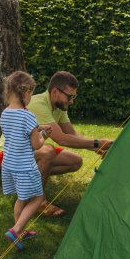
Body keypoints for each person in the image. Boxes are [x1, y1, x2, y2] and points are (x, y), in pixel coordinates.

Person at [26, 71, 113, 216]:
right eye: (70, 96)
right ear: (55, 91)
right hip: (11, 153)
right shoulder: (38, 104)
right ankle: (37, 202)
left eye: (74, 97)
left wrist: (97, 149)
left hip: (32, 150)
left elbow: (71, 134)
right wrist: (98, 143)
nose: (72, 101)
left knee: (75, 161)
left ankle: (28, 181)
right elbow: (62, 139)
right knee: (48, 152)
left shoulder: (59, 107)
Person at [0, 71, 52, 251]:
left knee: (21, 198)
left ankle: (19, 232)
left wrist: (37, 129)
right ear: (26, 92)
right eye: (31, 92)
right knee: (36, 198)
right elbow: (37, 145)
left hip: (9, 165)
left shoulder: (5, 113)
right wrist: (43, 134)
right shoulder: (28, 116)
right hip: (25, 166)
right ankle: (16, 229)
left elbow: (18, 132)